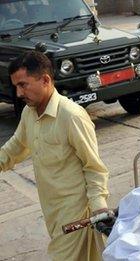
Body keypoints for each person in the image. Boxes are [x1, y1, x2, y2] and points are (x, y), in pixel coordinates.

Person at [0, 51, 109, 261]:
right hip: (52, 211)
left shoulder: (71, 116)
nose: (19, 93)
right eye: (16, 86)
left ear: (45, 80)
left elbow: (93, 166)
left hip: (76, 214)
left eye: (23, 85)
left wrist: (99, 207)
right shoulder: (29, 113)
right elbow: (16, 147)